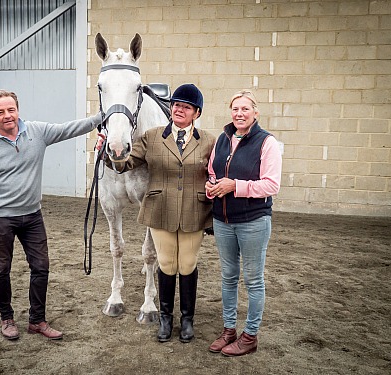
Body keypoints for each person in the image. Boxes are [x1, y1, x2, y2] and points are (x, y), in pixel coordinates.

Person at [0, 89, 102, 340]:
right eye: (0, 112)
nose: (7, 115)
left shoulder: (37, 132)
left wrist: (101, 117)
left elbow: (68, 129)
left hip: (32, 216)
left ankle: (37, 320)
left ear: (18, 110)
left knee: (41, 267)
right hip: (1, 219)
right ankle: (7, 318)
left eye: (11, 110)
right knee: (1, 269)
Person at [99, 84, 215, 343]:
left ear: (197, 112)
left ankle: (187, 319)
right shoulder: (152, 137)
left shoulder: (208, 140)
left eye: (186, 107)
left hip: (192, 213)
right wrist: (107, 151)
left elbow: (216, 172)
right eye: (176, 105)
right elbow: (126, 162)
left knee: (187, 265)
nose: (179, 110)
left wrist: (217, 207)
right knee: (165, 264)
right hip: (161, 211)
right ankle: (164, 317)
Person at [205, 90, 282, 356]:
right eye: (235, 109)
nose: (239, 113)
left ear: (255, 113)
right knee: (228, 277)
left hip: (253, 221)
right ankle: (229, 330)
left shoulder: (266, 142)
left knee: (253, 280)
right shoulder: (223, 139)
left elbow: (272, 185)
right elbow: (213, 172)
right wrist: (211, 187)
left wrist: (234, 186)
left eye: (245, 109)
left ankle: (250, 335)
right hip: (223, 221)